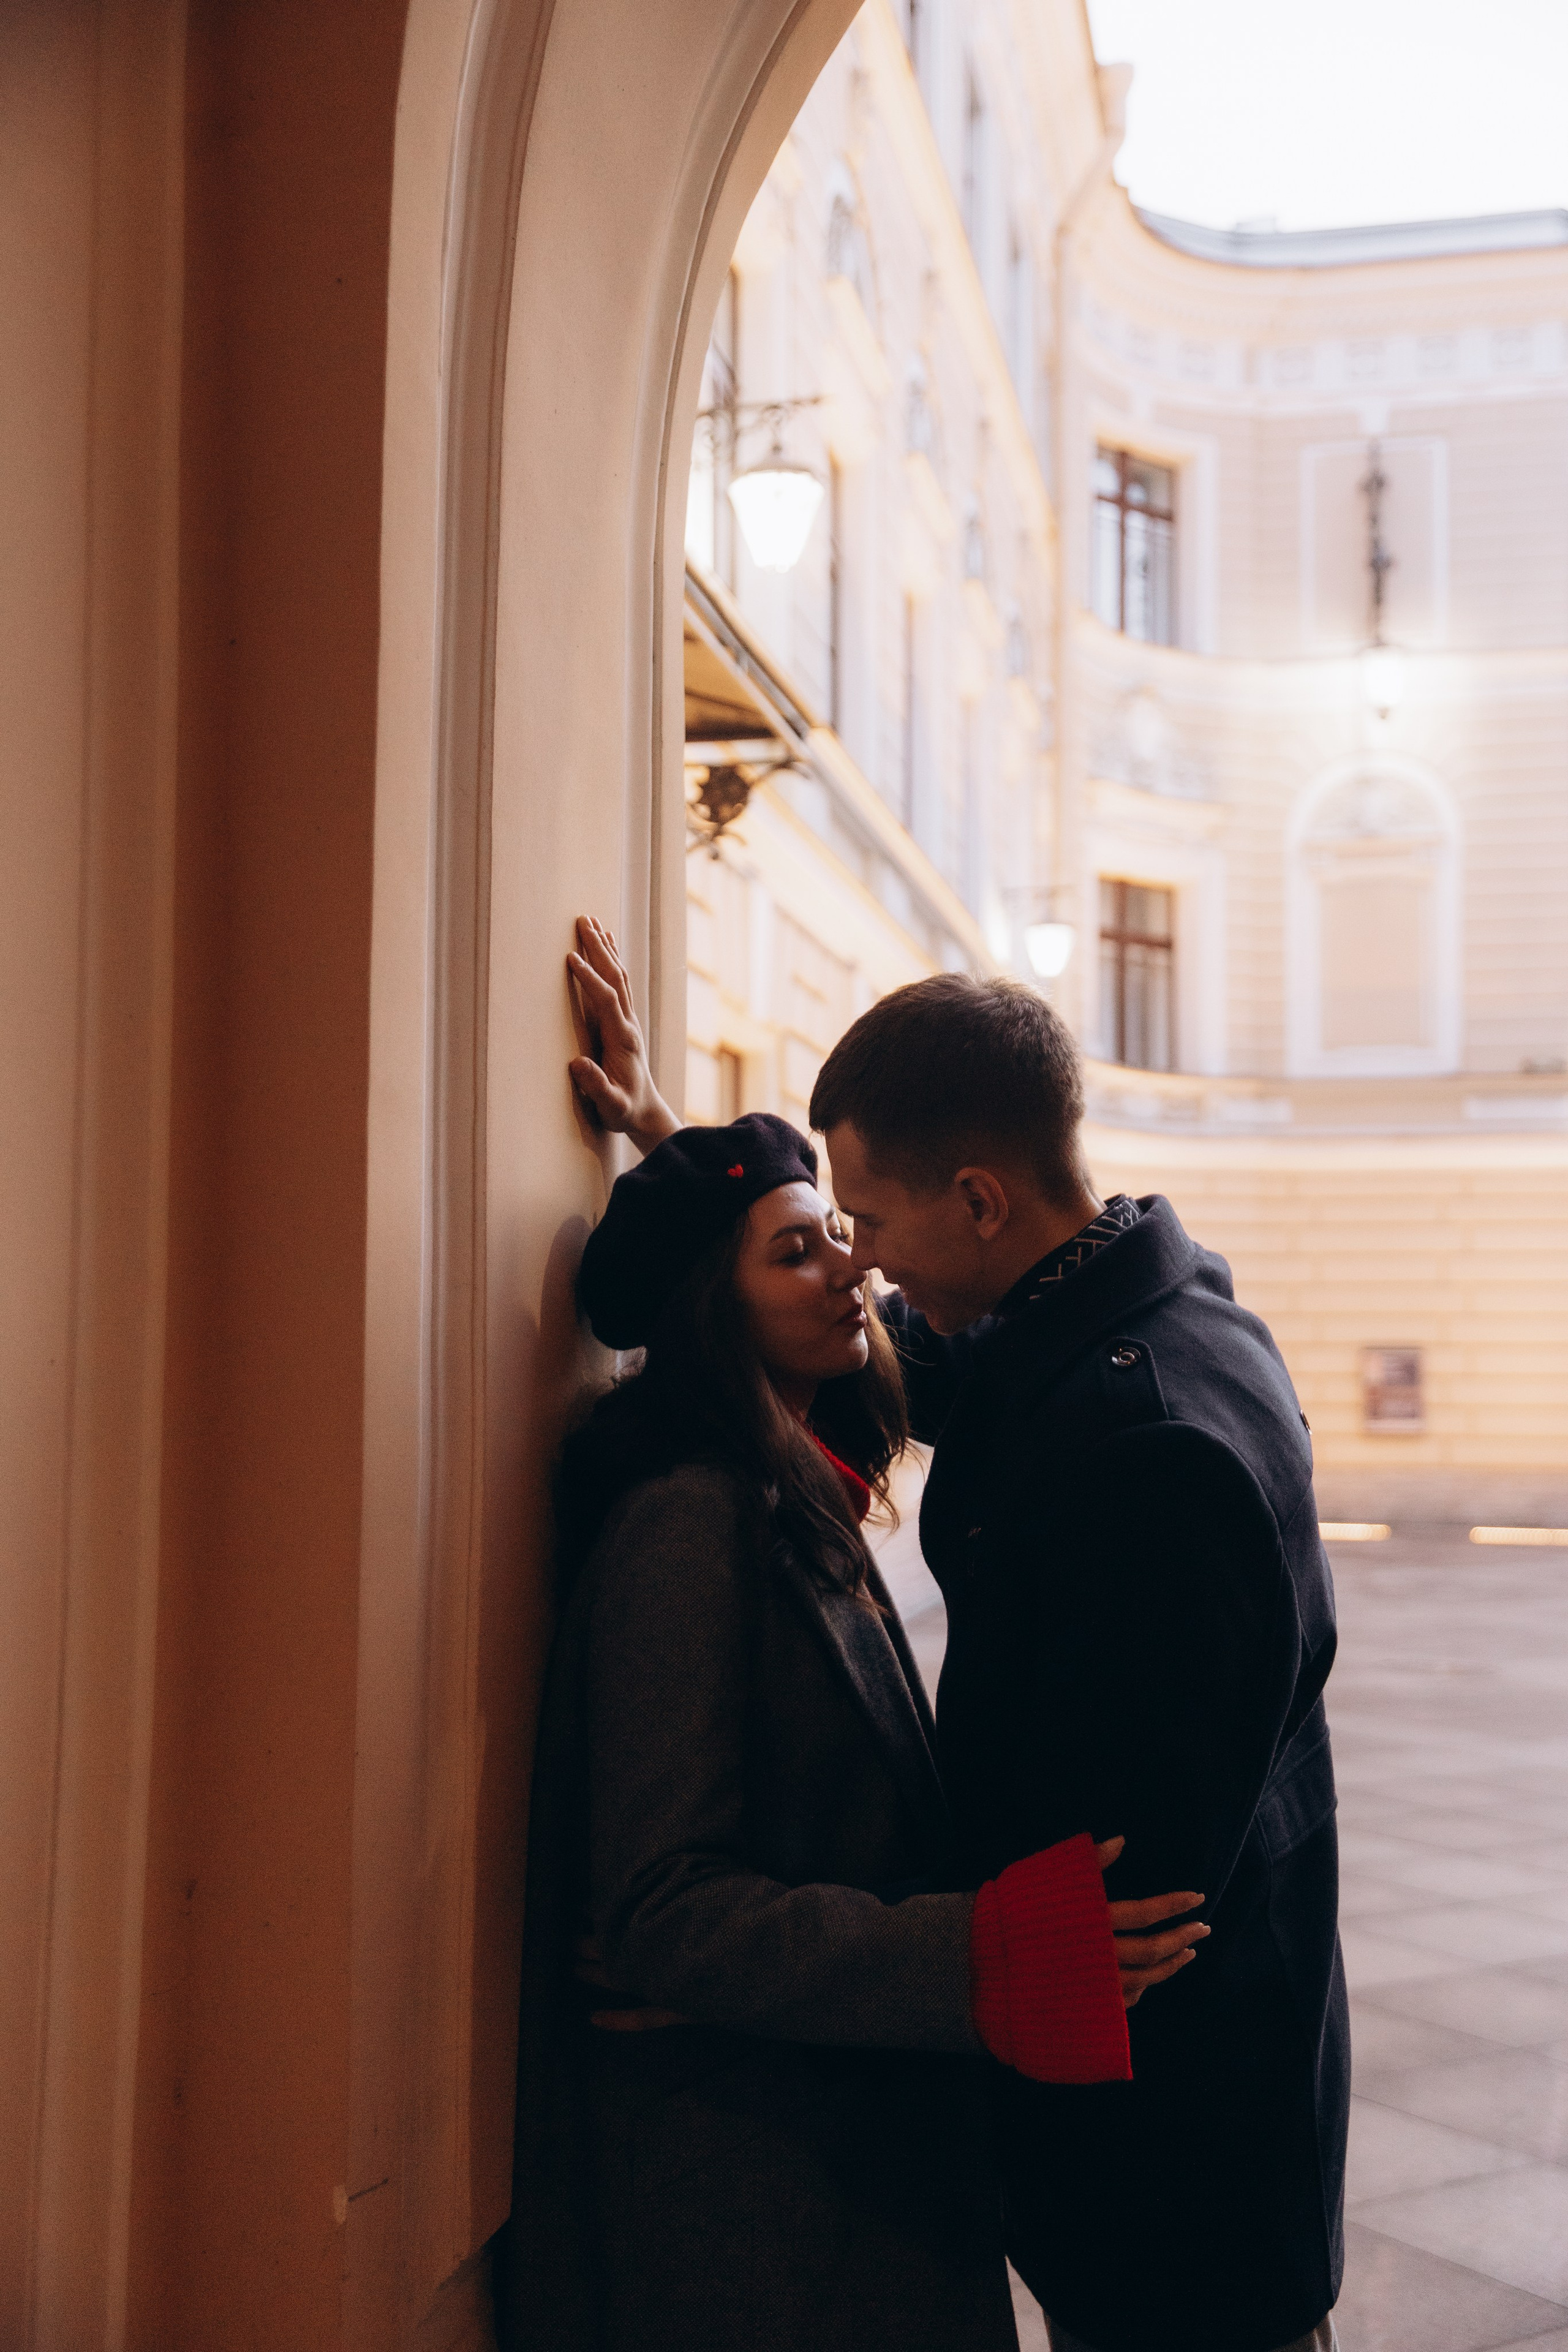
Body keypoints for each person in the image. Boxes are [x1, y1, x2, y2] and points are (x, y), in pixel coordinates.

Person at [564, 919, 1349, 2352]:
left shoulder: (1142, 1439)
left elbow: (1117, 1902)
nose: (855, 1268)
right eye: (818, 1236)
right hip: (1168, 2127)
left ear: (978, 1202)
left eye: (858, 1221)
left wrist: (774, 1953)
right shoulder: (1123, 1313)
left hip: (1171, 2152)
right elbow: (890, 1350)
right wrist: (686, 1165)